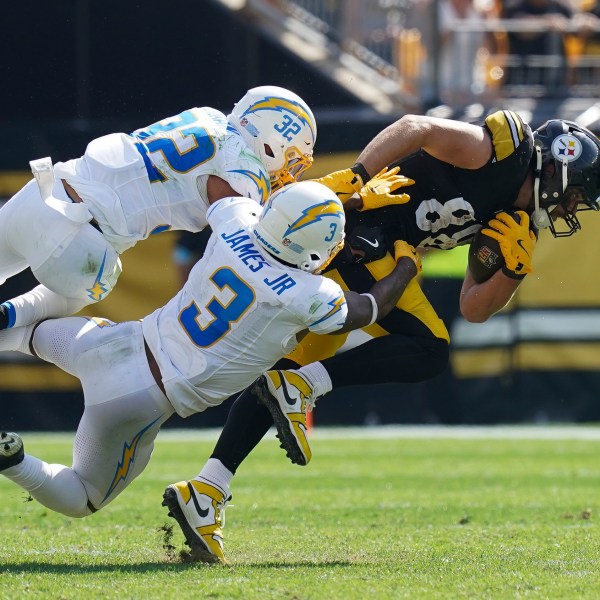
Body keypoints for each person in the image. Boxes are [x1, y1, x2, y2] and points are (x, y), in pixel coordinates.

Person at [165, 110, 600, 563]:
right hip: (363, 228)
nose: (572, 208)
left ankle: (207, 490)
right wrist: (358, 178)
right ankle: (300, 390)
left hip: (385, 253)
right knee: (427, 349)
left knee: (285, 377)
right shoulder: (501, 151)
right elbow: (418, 126)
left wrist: (513, 270)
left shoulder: (520, 221)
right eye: (575, 195)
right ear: (555, 167)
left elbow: (474, 307)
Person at [0, 180, 422, 565]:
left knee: (23, 333)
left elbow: (219, 187)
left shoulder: (236, 221)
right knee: (83, 497)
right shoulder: (309, 293)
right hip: (137, 399)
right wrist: (406, 264)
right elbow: (370, 307)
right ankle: (12, 460)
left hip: (114, 343)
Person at [0, 85, 318, 333]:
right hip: (78, 246)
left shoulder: (207, 115)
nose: (289, 172)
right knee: (95, 285)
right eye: (291, 159)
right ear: (271, 138)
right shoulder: (245, 174)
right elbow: (240, 247)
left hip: (45, 189)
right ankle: (11, 315)